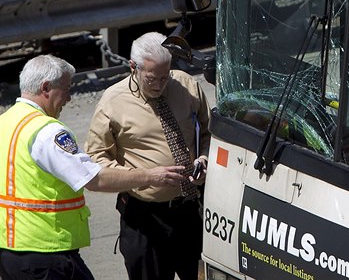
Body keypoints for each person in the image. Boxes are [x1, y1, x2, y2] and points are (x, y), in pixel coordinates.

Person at [0, 54, 186, 280]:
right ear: (46, 88)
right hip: (47, 253)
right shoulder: (47, 132)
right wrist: (149, 176)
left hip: (10, 251)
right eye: (67, 89)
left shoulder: (6, 122)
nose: (69, 98)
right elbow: (94, 180)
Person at [85, 31, 212, 280]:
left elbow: (209, 132)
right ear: (134, 67)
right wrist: (146, 176)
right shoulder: (113, 101)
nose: (159, 85)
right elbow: (95, 164)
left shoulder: (186, 86)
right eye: (152, 79)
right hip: (146, 219)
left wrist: (204, 159)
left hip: (190, 212)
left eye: (165, 78)